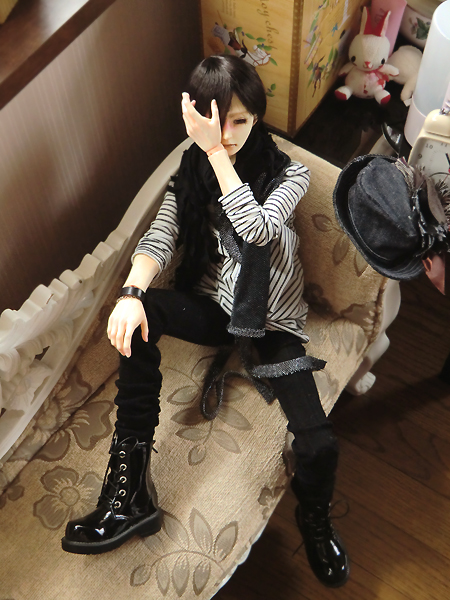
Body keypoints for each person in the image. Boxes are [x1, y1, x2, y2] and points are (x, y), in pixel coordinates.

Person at [61, 55, 349, 588]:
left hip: (271, 321)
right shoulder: (192, 172)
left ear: (257, 118)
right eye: (218, 121)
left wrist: (214, 151)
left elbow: (257, 230)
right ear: (196, 117)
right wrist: (131, 293)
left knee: (318, 443)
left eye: (241, 120)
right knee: (141, 314)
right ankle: (131, 493)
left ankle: (314, 517)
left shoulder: (289, 173)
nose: (229, 134)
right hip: (220, 307)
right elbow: (162, 232)